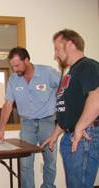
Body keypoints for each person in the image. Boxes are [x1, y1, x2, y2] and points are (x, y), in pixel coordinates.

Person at [0, 47, 60, 188]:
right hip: (27, 124)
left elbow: (66, 90)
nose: (15, 70)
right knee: (25, 163)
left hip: (48, 122)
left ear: (27, 60)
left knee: (50, 162)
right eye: (12, 66)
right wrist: (0, 130)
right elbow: (8, 105)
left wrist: (62, 114)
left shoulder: (48, 73)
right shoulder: (14, 80)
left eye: (17, 65)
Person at [41, 29, 99, 188]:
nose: (55, 55)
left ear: (70, 45)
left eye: (57, 49)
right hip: (72, 135)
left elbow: (97, 97)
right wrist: (54, 135)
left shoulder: (88, 66)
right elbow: (69, 110)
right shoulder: (72, 72)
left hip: (84, 136)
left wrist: (80, 127)